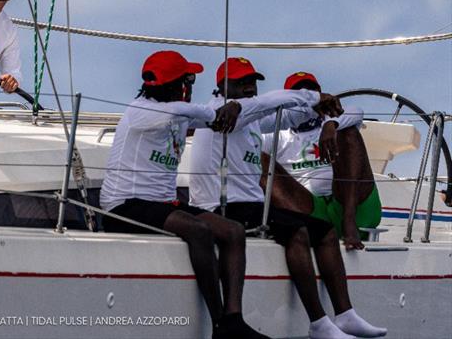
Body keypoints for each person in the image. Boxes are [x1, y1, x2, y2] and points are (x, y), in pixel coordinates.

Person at [188, 57, 387, 339]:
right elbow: (271, 102)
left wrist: (325, 115)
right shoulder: (224, 112)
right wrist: (316, 97)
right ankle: (319, 323)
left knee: (326, 233)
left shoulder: (249, 116)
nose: (249, 88)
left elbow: (288, 114)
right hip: (225, 207)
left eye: (252, 82)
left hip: (253, 204)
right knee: (298, 232)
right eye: (241, 82)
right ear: (222, 86)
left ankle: (345, 315)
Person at [100, 50, 269, 339]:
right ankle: (218, 325)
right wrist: (216, 111)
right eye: (188, 81)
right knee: (199, 230)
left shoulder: (178, 113)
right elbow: (187, 114)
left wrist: (235, 110)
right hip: (123, 206)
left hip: (162, 204)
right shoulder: (141, 111)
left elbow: (205, 118)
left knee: (233, 231)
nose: (191, 88)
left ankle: (233, 319)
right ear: (177, 85)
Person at [260, 72, 381, 251]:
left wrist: (330, 124)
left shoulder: (335, 121)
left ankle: (348, 219)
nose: (308, 98)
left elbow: (356, 111)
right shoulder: (276, 134)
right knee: (256, 155)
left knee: (348, 132)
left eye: (313, 92)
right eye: (301, 93)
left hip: (352, 206)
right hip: (309, 211)